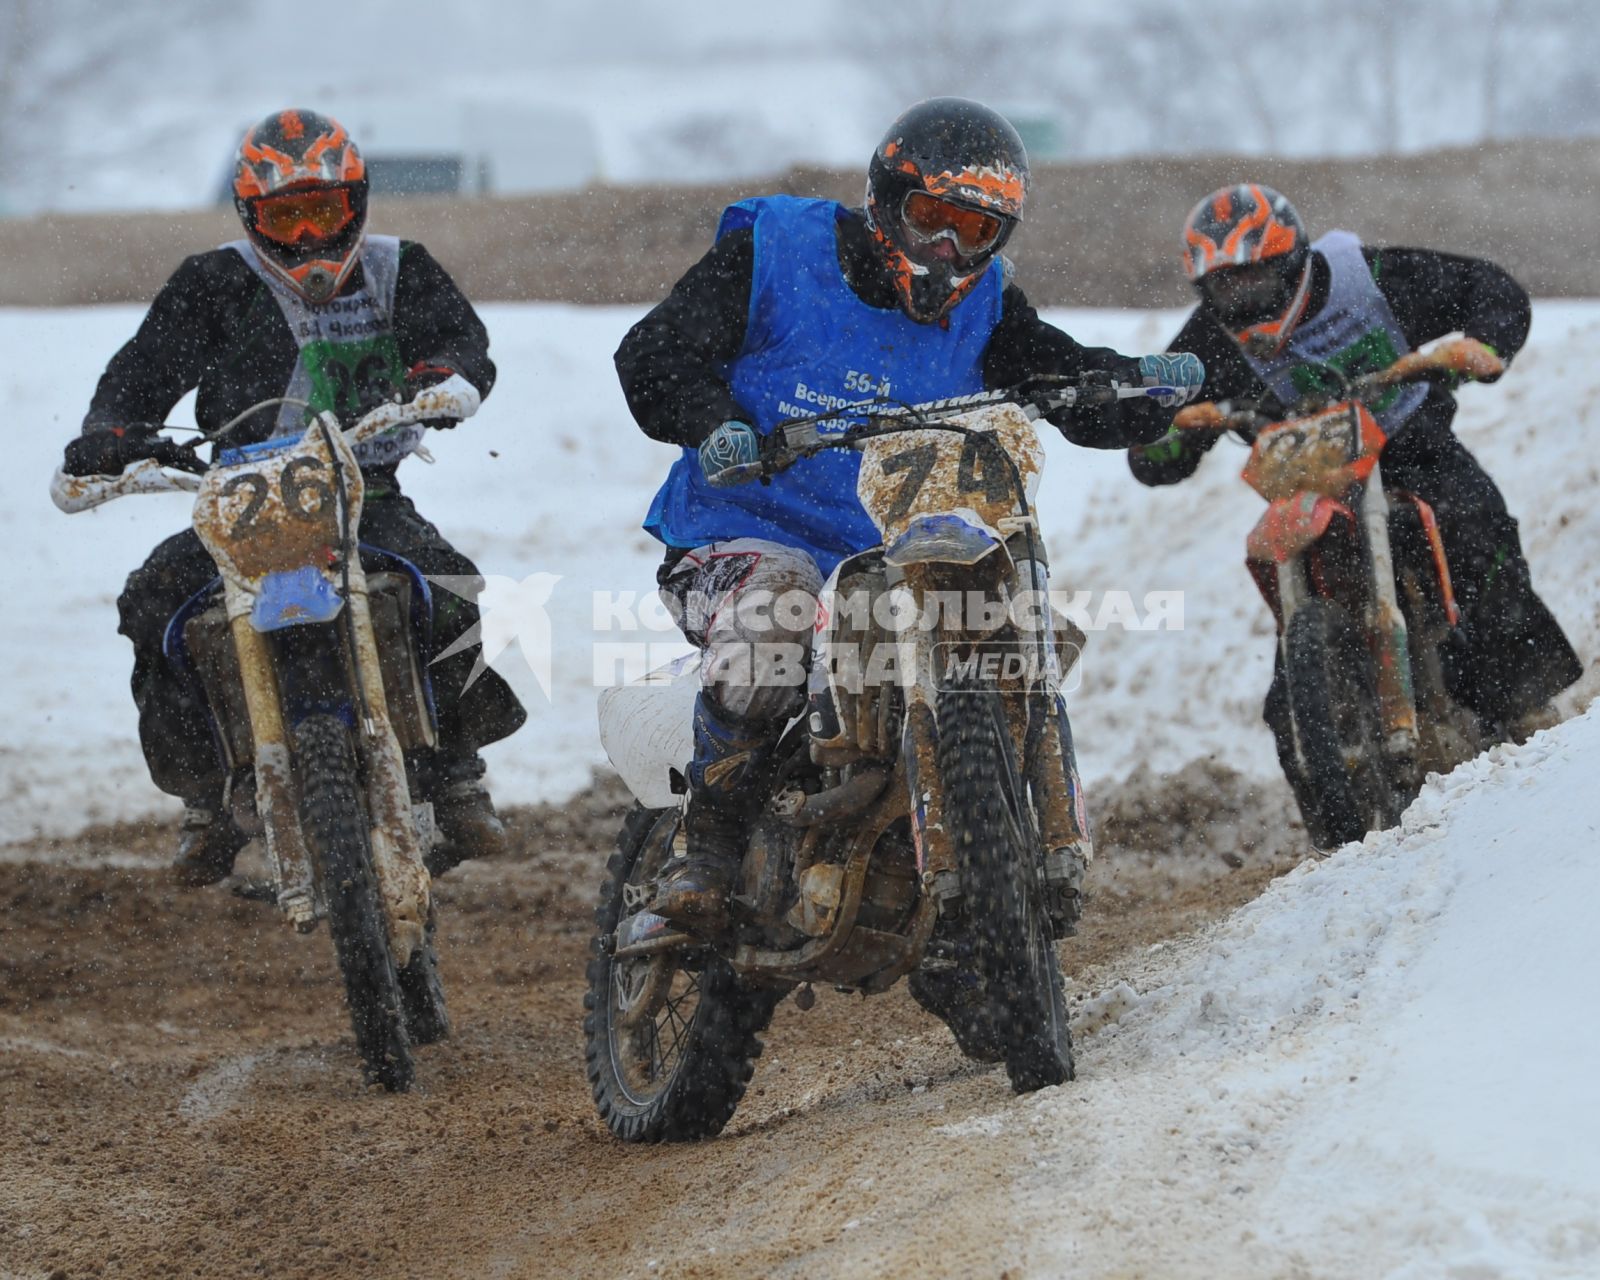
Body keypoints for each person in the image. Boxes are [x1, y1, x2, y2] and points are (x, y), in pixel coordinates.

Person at [615, 96, 1205, 929]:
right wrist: (717, 425)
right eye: (931, 217)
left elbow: (1052, 373)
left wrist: (1133, 391)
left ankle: (974, 860)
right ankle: (705, 851)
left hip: (896, 553)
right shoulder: (774, 252)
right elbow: (655, 354)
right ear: (885, 199)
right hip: (742, 535)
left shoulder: (985, 303)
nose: (948, 250)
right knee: (770, 628)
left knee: (1006, 617)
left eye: (977, 231)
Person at [63, 108, 526, 885]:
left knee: (452, 590)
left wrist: (445, 377)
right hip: (242, 502)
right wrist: (112, 432)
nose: (310, 238)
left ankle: (456, 771)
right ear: (253, 217)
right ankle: (207, 797)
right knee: (153, 601)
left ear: (357, 202)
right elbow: (140, 374)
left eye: (325, 212)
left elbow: (460, 341)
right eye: (288, 217)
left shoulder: (400, 269)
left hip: (364, 493)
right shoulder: (213, 283)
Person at [1130, 182, 1581, 779]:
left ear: (1291, 263)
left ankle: (1524, 703)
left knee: (1475, 525)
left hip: (1409, 446)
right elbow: (1155, 433)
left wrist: (1483, 344)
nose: (1240, 298)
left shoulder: (1368, 279)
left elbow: (1490, 289)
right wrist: (1167, 436)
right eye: (1223, 285)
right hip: (1310, 480)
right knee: (1285, 670)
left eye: (1253, 280)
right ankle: (1319, 765)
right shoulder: (1210, 337)